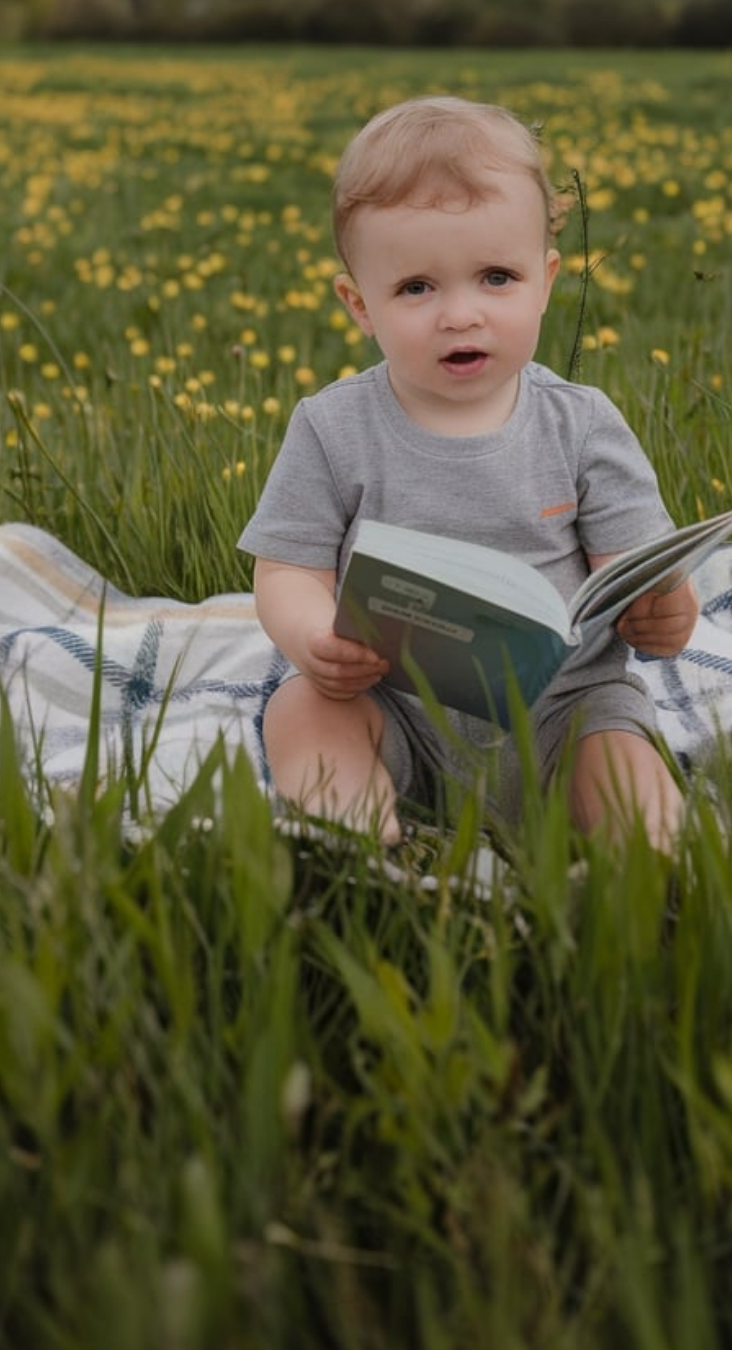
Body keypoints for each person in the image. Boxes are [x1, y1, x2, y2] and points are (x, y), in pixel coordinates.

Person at [238, 95, 699, 849]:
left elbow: (633, 571)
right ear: (360, 306)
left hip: (563, 709)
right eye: (417, 288)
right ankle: (355, 842)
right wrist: (314, 636)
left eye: (495, 277)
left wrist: (664, 610)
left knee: (620, 760)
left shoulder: (581, 424)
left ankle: (645, 864)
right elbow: (287, 569)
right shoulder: (332, 427)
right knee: (301, 711)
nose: (460, 314)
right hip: (392, 701)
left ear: (545, 280)